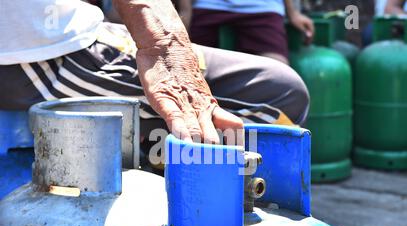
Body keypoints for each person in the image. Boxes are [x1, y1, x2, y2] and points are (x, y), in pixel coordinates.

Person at [0, 0, 309, 148]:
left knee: (280, 83)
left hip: (73, 36)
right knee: (280, 94)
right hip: (38, 57)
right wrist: (163, 45)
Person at [188, 0, 315, 64]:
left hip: (263, 7)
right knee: (189, 64)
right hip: (209, 6)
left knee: (279, 71)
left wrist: (293, 13)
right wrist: (184, 12)